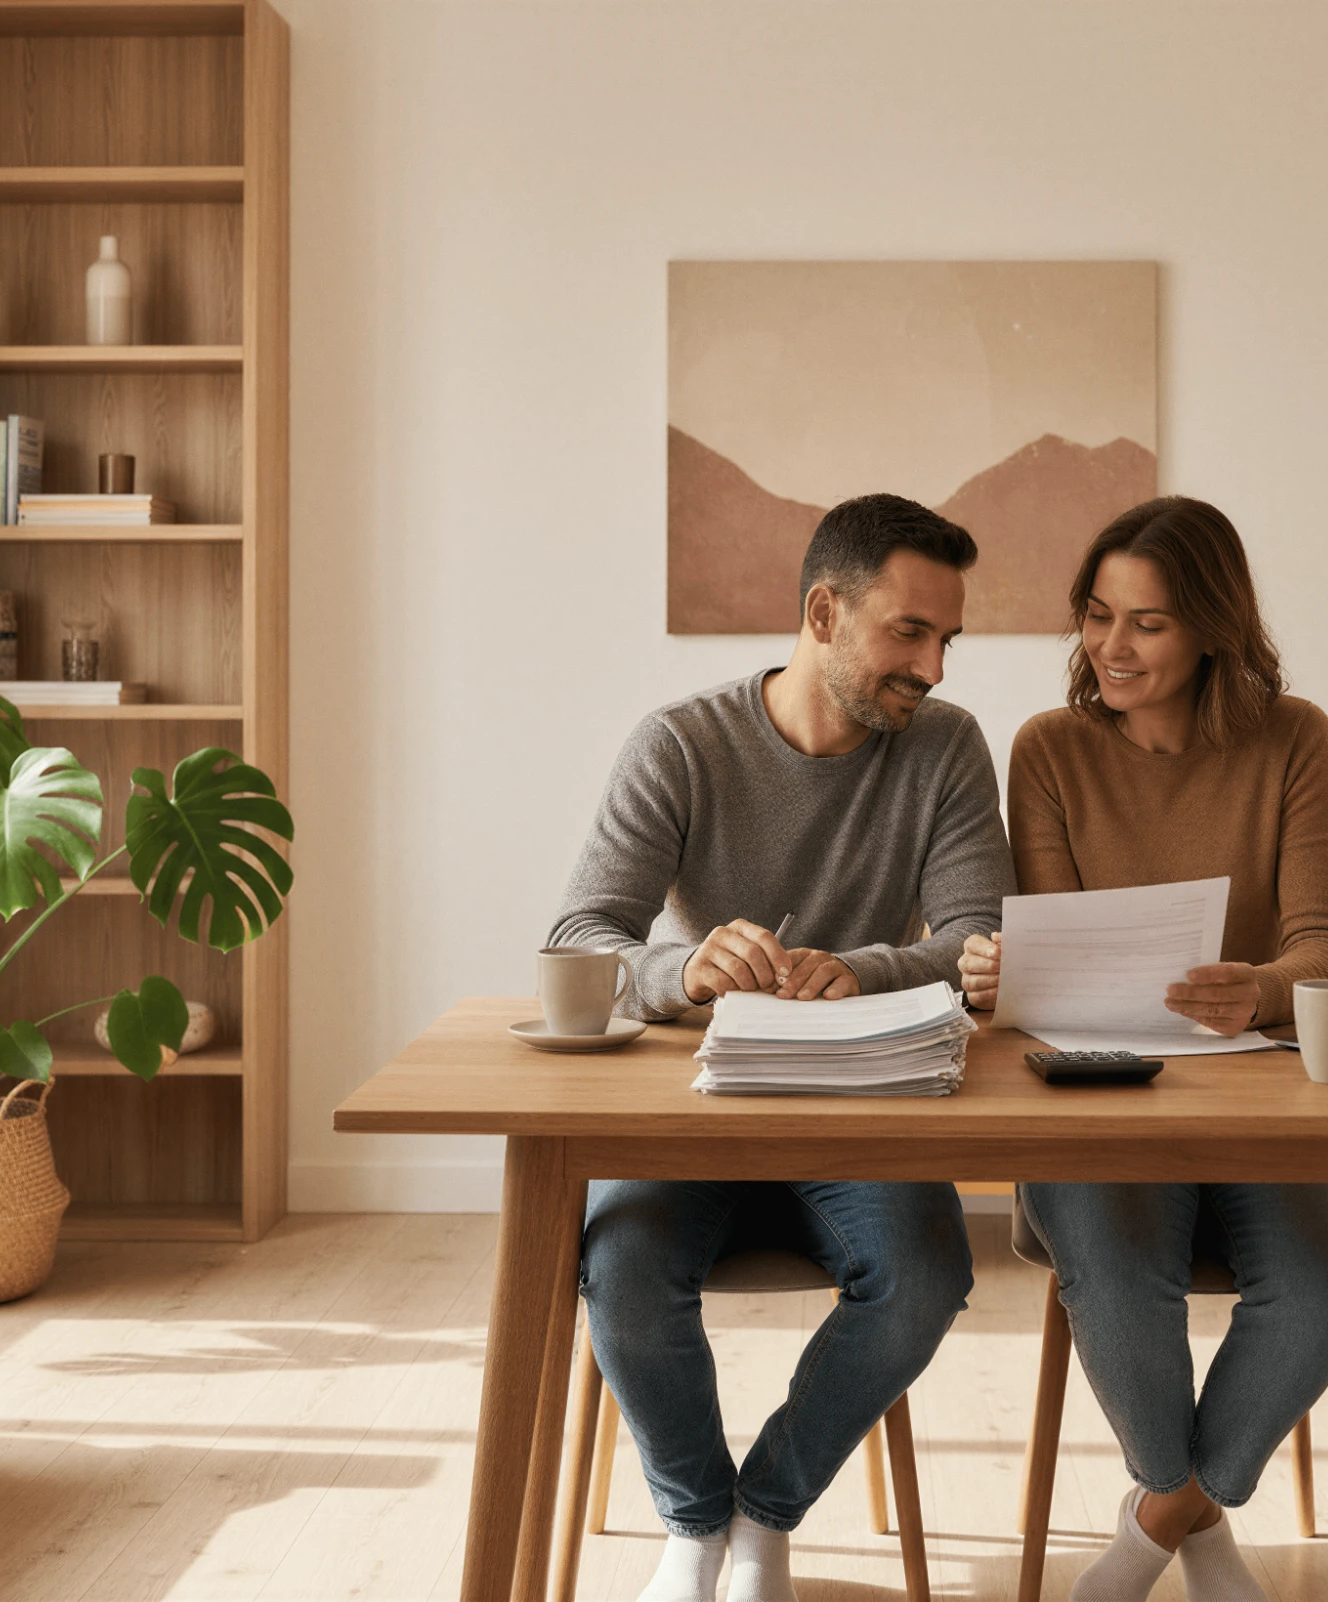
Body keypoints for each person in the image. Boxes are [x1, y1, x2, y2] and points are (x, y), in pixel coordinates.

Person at [549, 493, 1015, 1602]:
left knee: (926, 1273)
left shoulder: (945, 749)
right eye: (909, 632)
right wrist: (681, 968)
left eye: (946, 639)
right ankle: (693, 1522)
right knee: (618, 1273)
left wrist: (860, 967)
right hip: (700, 1104)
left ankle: (763, 1513)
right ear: (821, 612)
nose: (934, 667)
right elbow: (578, 935)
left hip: (864, 1104)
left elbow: (970, 937)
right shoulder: (679, 743)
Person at [957, 496, 1328, 1602]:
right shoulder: (1048, 750)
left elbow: (1323, 943)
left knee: (1325, 1286)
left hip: (1263, 1084)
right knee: (1116, 1272)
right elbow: (1053, 948)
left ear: (1208, 627)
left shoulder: (1295, 737)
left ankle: (1158, 1522)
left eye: (1145, 623)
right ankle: (1196, 1519)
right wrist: (1008, 973)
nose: (1110, 646)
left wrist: (1264, 990)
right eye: (1096, 616)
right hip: (1095, 1084)